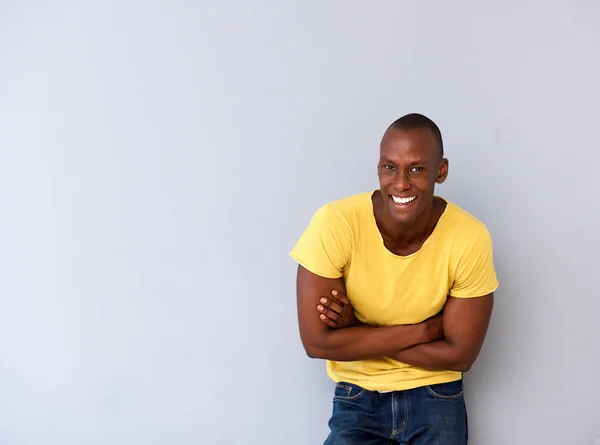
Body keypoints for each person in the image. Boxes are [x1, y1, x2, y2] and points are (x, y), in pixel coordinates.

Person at [289, 113, 499, 444]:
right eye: (390, 167)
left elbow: (460, 355)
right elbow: (317, 343)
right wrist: (426, 330)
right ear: (378, 167)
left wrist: (356, 332)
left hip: (435, 392)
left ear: (440, 171)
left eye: (416, 168)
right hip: (357, 394)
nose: (400, 183)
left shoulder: (468, 236)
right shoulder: (336, 223)